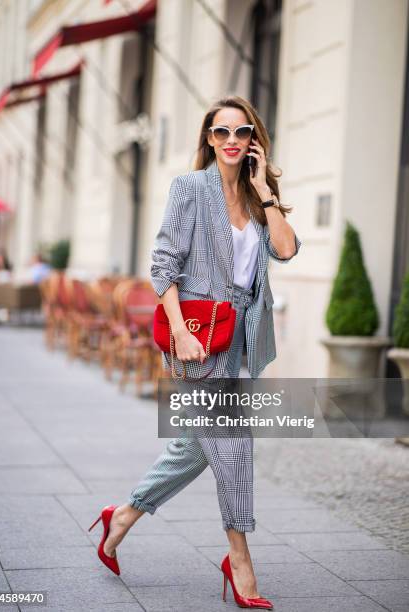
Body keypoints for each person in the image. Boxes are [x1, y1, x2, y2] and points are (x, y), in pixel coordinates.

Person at [88, 95, 301, 608]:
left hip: (240, 342)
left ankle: (120, 518)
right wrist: (181, 331)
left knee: (191, 449)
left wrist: (265, 193)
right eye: (221, 132)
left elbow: (287, 250)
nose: (232, 141)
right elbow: (163, 263)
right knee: (233, 442)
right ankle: (241, 562)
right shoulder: (189, 188)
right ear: (208, 138)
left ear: (254, 141)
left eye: (242, 132)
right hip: (198, 340)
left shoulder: (257, 196)